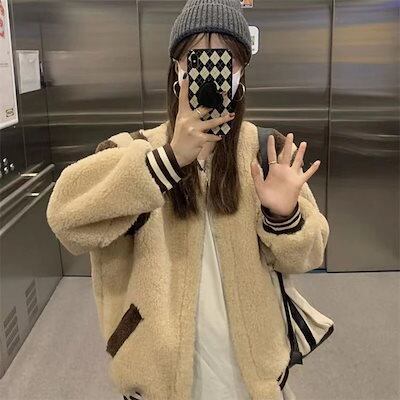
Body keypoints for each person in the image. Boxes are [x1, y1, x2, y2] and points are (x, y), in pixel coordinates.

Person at [46, 1, 329, 400]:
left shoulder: (267, 151)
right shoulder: (133, 151)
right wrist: (168, 160)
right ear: (178, 71)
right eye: (196, 57)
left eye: (227, 58)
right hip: (160, 377)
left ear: (241, 72)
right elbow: (65, 218)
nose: (211, 69)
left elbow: (309, 255)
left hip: (252, 377)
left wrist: (283, 216)